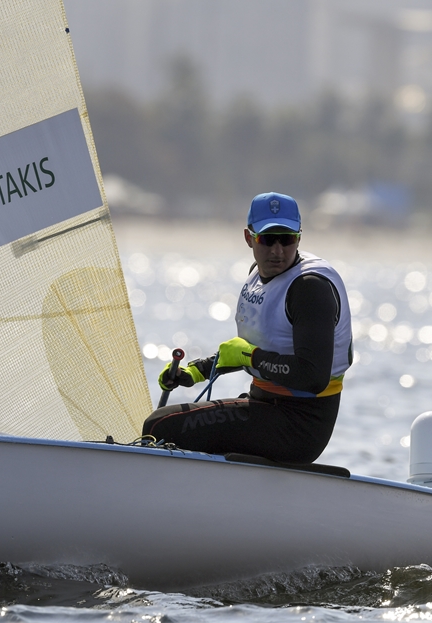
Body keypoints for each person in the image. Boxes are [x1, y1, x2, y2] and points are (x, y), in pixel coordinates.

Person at [142, 192, 353, 464]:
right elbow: (260, 346)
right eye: (267, 239)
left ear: (299, 237)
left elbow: (313, 377)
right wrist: (198, 371)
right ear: (248, 237)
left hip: (299, 425)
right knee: (166, 424)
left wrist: (250, 358)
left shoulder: (310, 289)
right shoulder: (259, 276)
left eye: (287, 239)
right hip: (267, 406)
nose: (277, 251)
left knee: (160, 427)